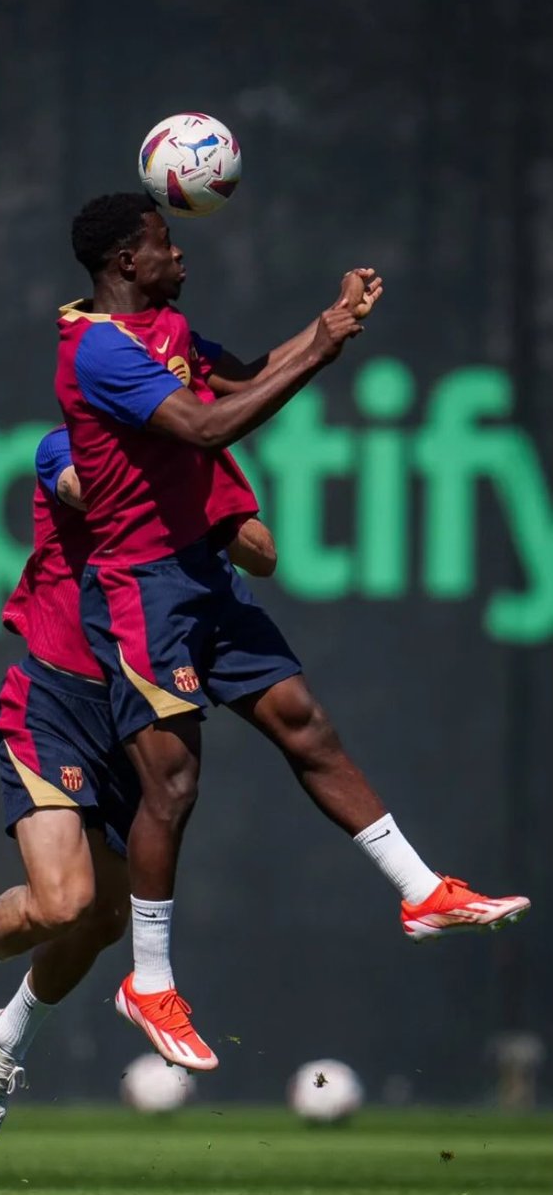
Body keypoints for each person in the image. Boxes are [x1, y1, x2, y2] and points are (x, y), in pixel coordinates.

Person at [52, 192, 531, 1069]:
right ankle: (148, 983)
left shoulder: (167, 329)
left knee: (305, 722)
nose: (180, 256)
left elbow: (235, 378)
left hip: (199, 578)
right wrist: (322, 346)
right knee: (173, 785)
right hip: (138, 591)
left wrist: (325, 323)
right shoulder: (97, 352)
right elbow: (208, 424)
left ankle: (419, 892)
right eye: (165, 243)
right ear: (125, 261)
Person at [0, 427, 276, 1142]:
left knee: (105, 922)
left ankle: (7, 1044)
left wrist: (210, 508)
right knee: (64, 902)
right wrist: (177, 506)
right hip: (53, 703)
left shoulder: (190, 463)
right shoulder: (70, 446)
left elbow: (263, 554)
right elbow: (80, 492)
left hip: (136, 717)